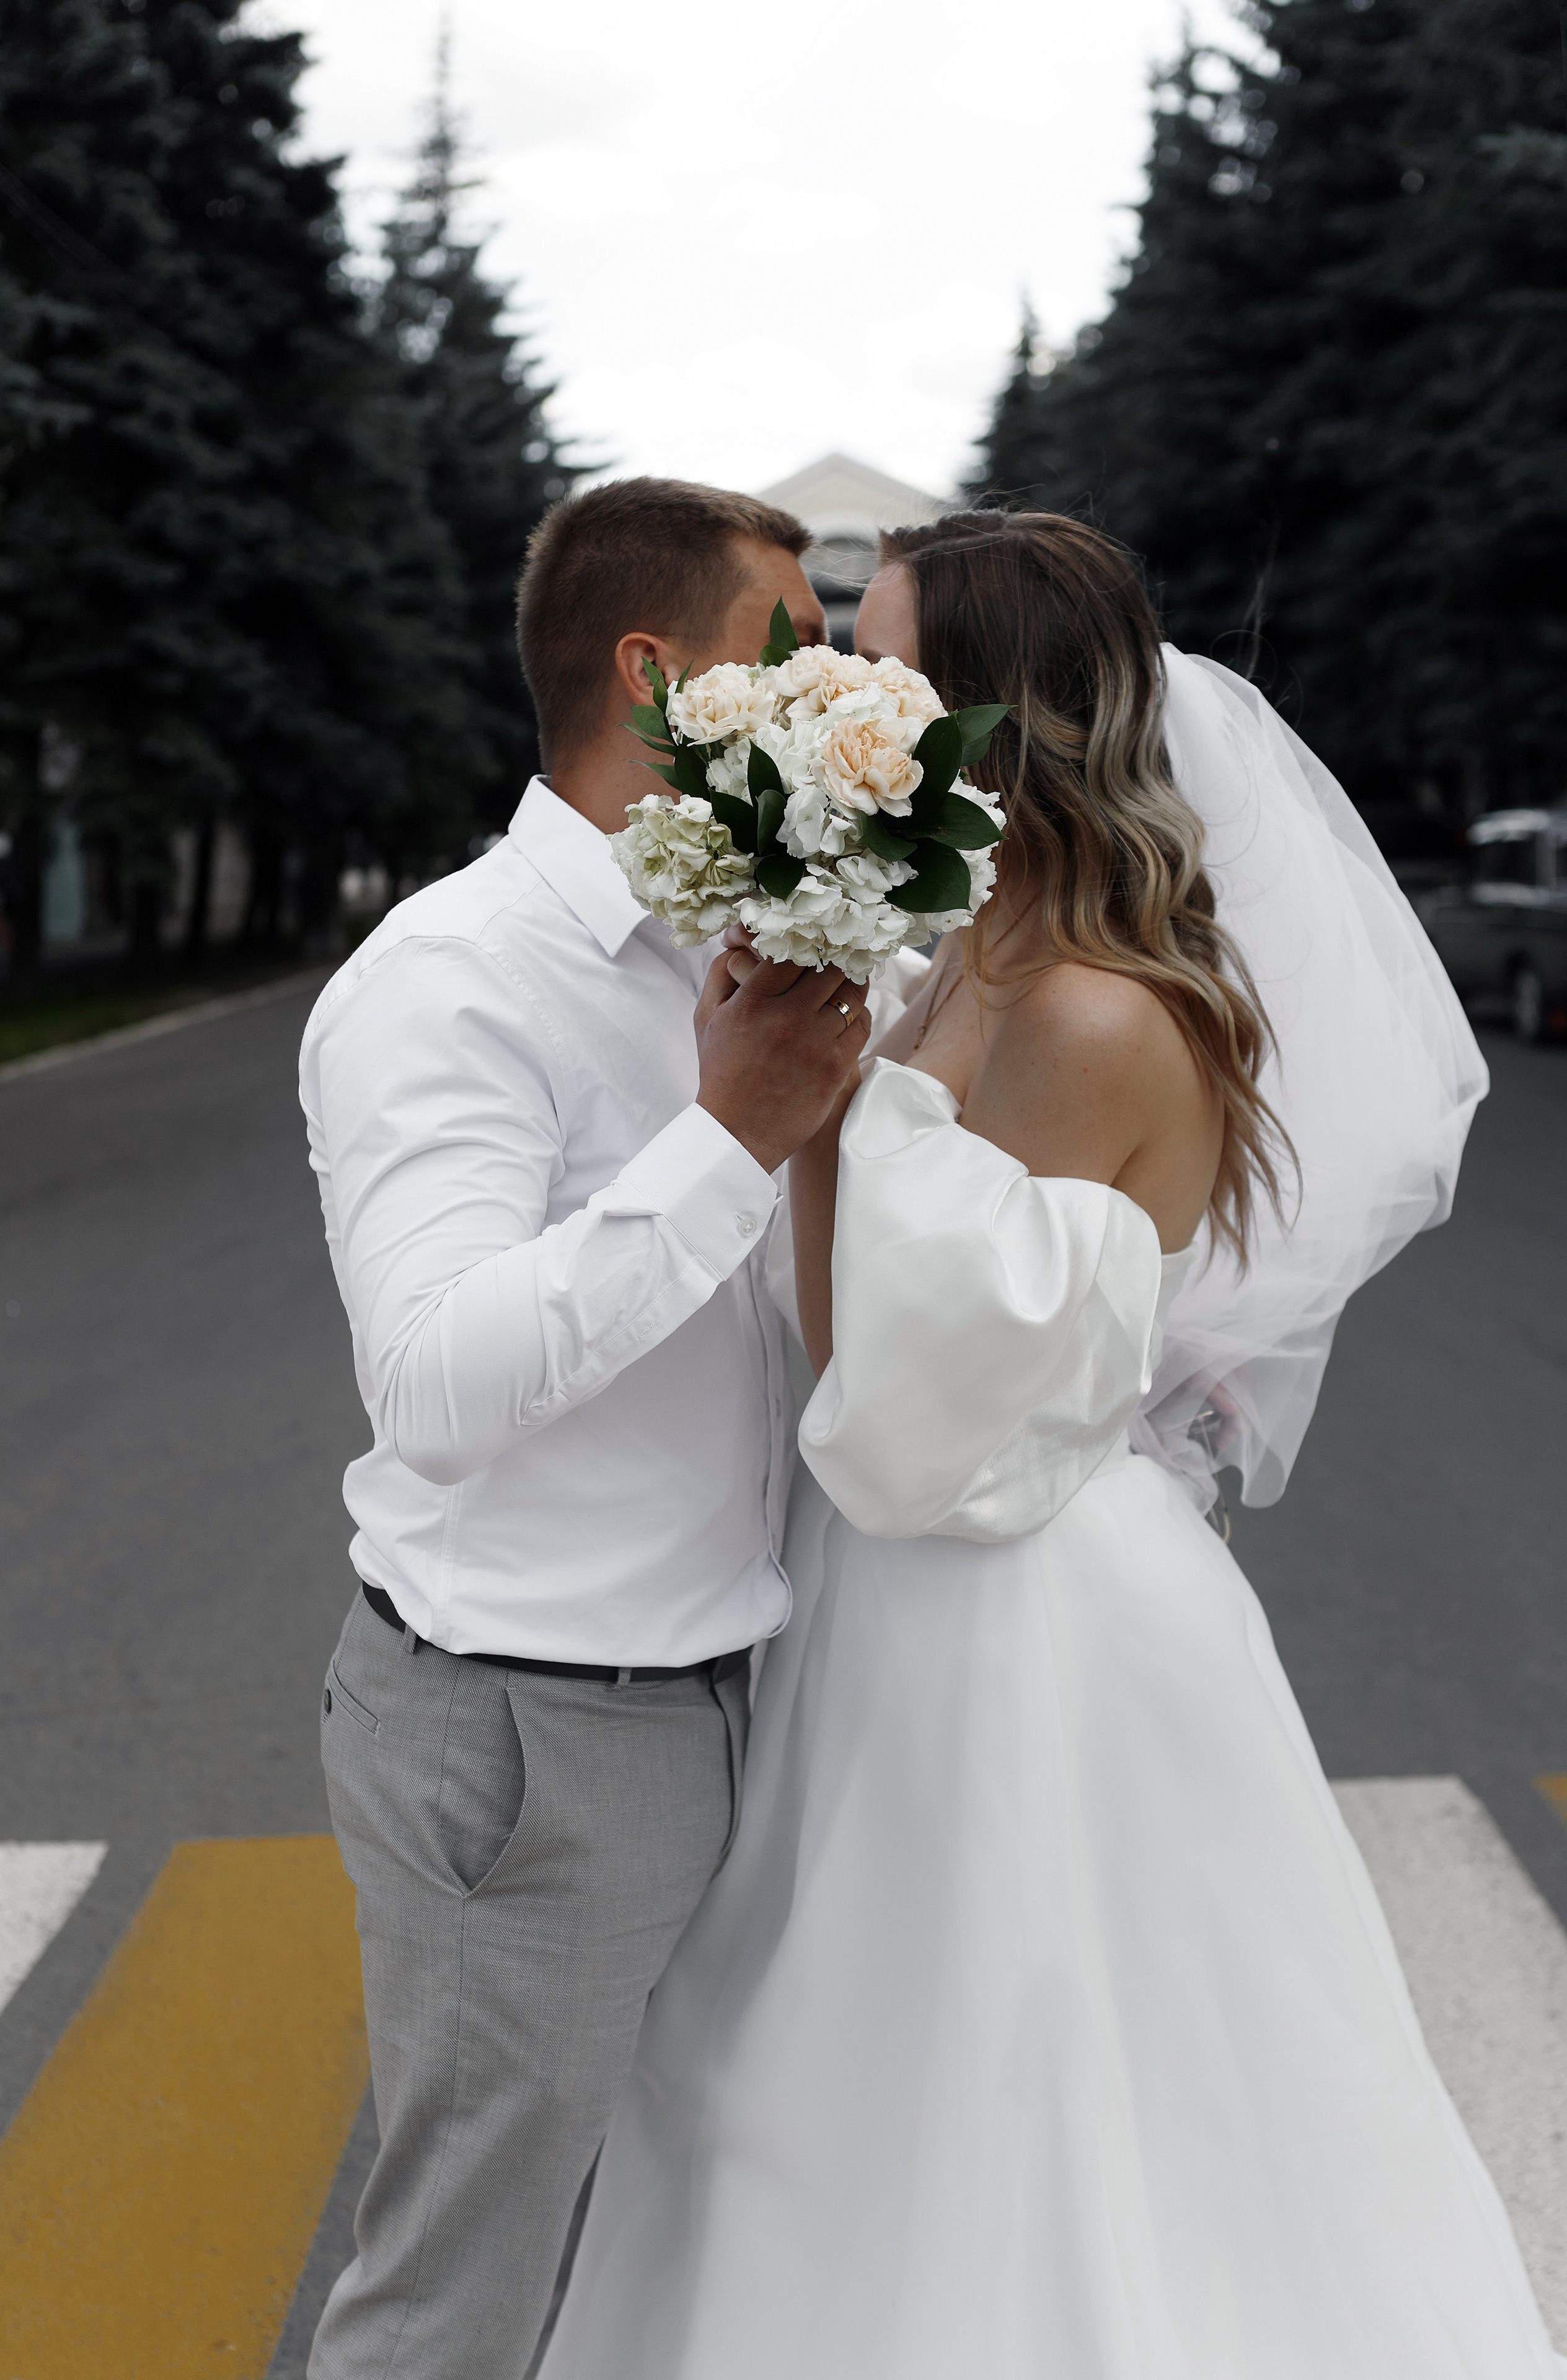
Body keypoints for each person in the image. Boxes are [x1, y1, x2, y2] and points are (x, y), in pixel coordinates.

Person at [538, 513, 1565, 2379]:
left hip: (1012, 1604)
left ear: (992, 718)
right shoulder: (951, 966)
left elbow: (909, 1411)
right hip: (902, 1564)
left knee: (1010, 2077)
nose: (842, 691)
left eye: (884, 662)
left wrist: (809, 1114)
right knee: (839, 2058)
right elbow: (849, 1341)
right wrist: (810, 1066)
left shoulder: (1096, 1014)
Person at [298, 477, 872, 2380]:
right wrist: (730, 1138)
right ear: (658, 675)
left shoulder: (745, 943)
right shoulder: (449, 980)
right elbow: (436, 1387)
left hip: (723, 1698)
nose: (834, 696)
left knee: (660, 2251)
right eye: (795, 653)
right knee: (459, 2300)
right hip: (529, 1732)